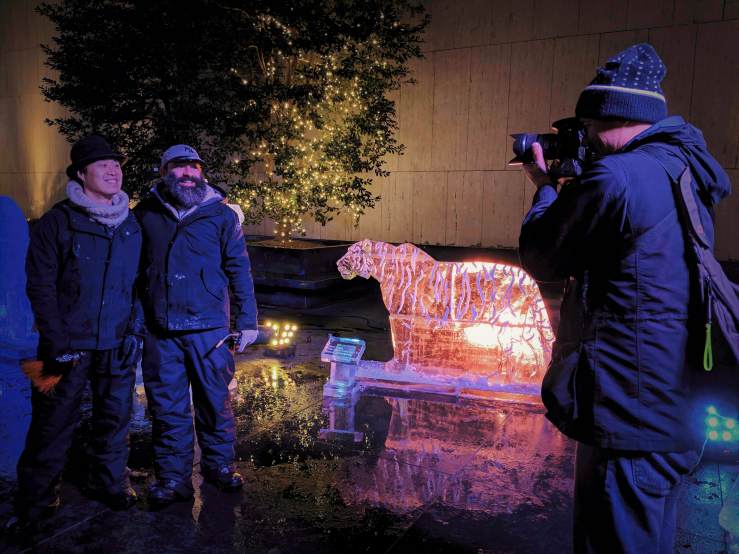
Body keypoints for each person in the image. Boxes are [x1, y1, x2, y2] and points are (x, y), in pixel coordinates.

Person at [518, 43, 731, 553]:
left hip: (627, 408)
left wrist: (545, 188)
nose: (586, 135)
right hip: (671, 403)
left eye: (588, 124)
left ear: (611, 116)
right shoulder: (680, 168)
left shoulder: (618, 176)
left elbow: (543, 256)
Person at [7, 135, 143, 535]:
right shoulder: (58, 222)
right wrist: (56, 342)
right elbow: (40, 285)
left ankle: (110, 482)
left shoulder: (130, 224)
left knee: (115, 418)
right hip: (66, 345)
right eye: (102, 165)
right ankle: (37, 498)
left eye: (116, 164)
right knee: (52, 423)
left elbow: (139, 283)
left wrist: (133, 330)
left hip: (116, 342)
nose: (113, 170)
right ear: (81, 174)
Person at [134, 144, 258, 506]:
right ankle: (172, 477)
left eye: (195, 167)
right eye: (179, 166)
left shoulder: (222, 216)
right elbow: (135, 274)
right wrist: (136, 323)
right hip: (161, 331)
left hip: (210, 331)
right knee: (167, 407)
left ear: (202, 172)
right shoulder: (145, 214)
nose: (188, 173)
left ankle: (219, 466)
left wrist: (247, 321)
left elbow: (239, 269)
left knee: (215, 402)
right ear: (164, 172)